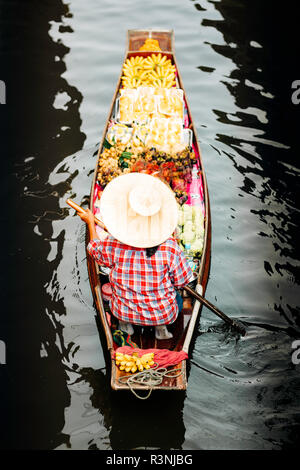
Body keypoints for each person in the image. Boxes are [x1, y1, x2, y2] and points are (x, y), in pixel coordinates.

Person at [79, 172, 194, 340]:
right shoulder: (170, 247)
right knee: (176, 296)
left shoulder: (114, 243)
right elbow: (181, 281)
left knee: (119, 302)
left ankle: (126, 326)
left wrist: (90, 222)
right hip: (163, 314)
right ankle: (160, 329)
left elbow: (95, 250)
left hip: (123, 311)